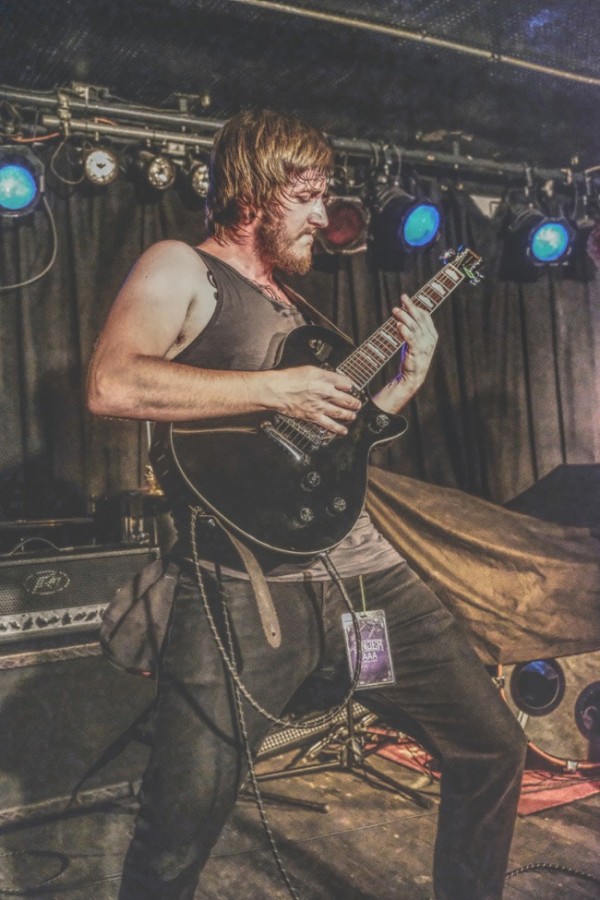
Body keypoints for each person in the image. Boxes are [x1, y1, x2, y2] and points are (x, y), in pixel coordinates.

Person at [87, 108, 527, 900]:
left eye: (327, 196)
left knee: (492, 746)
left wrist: (403, 384)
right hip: (243, 586)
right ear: (251, 193)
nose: (326, 217)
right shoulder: (181, 267)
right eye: (310, 195)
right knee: (179, 824)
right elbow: (113, 383)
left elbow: (334, 448)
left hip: (366, 577)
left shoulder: (301, 311)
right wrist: (276, 388)